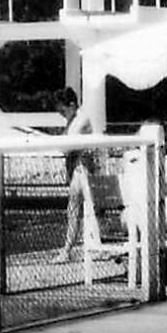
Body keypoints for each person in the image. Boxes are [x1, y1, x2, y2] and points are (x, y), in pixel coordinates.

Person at [51, 86, 96, 263]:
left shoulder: (80, 119)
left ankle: (69, 249)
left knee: (76, 208)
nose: (61, 114)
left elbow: (66, 146)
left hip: (81, 168)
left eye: (63, 110)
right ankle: (75, 247)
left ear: (71, 105)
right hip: (77, 167)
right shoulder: (74, 119)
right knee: (78, 209)